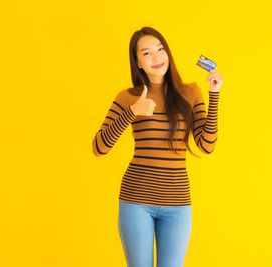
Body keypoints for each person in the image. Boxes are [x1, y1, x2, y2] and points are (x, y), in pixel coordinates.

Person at [92, 26, 224, 267]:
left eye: (160, 49)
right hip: (136, 201)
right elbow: (99, 147)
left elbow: (206, 145)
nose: (156, 57)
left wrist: (214, 94)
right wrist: (132, 112)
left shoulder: (190, 92)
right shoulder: (128, 97)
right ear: (138, 62)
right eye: (147, 53)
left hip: (177, 204)